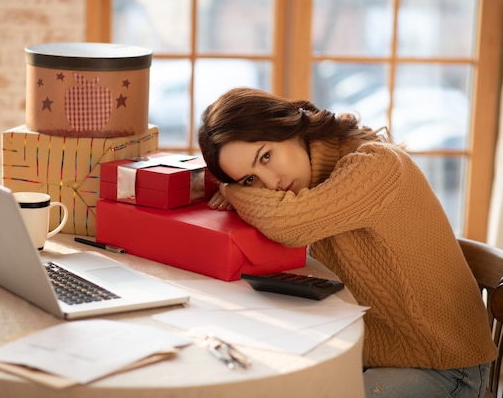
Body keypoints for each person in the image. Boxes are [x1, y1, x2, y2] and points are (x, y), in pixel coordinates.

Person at [198, 87, 497, 398]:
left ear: (286, 124)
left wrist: (233, 190)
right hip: (370, 356)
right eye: (250, 179)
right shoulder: (312, 184)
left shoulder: (375, 165)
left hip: (444, 367)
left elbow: (289, 225)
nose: (270, 183)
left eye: (266, 156)